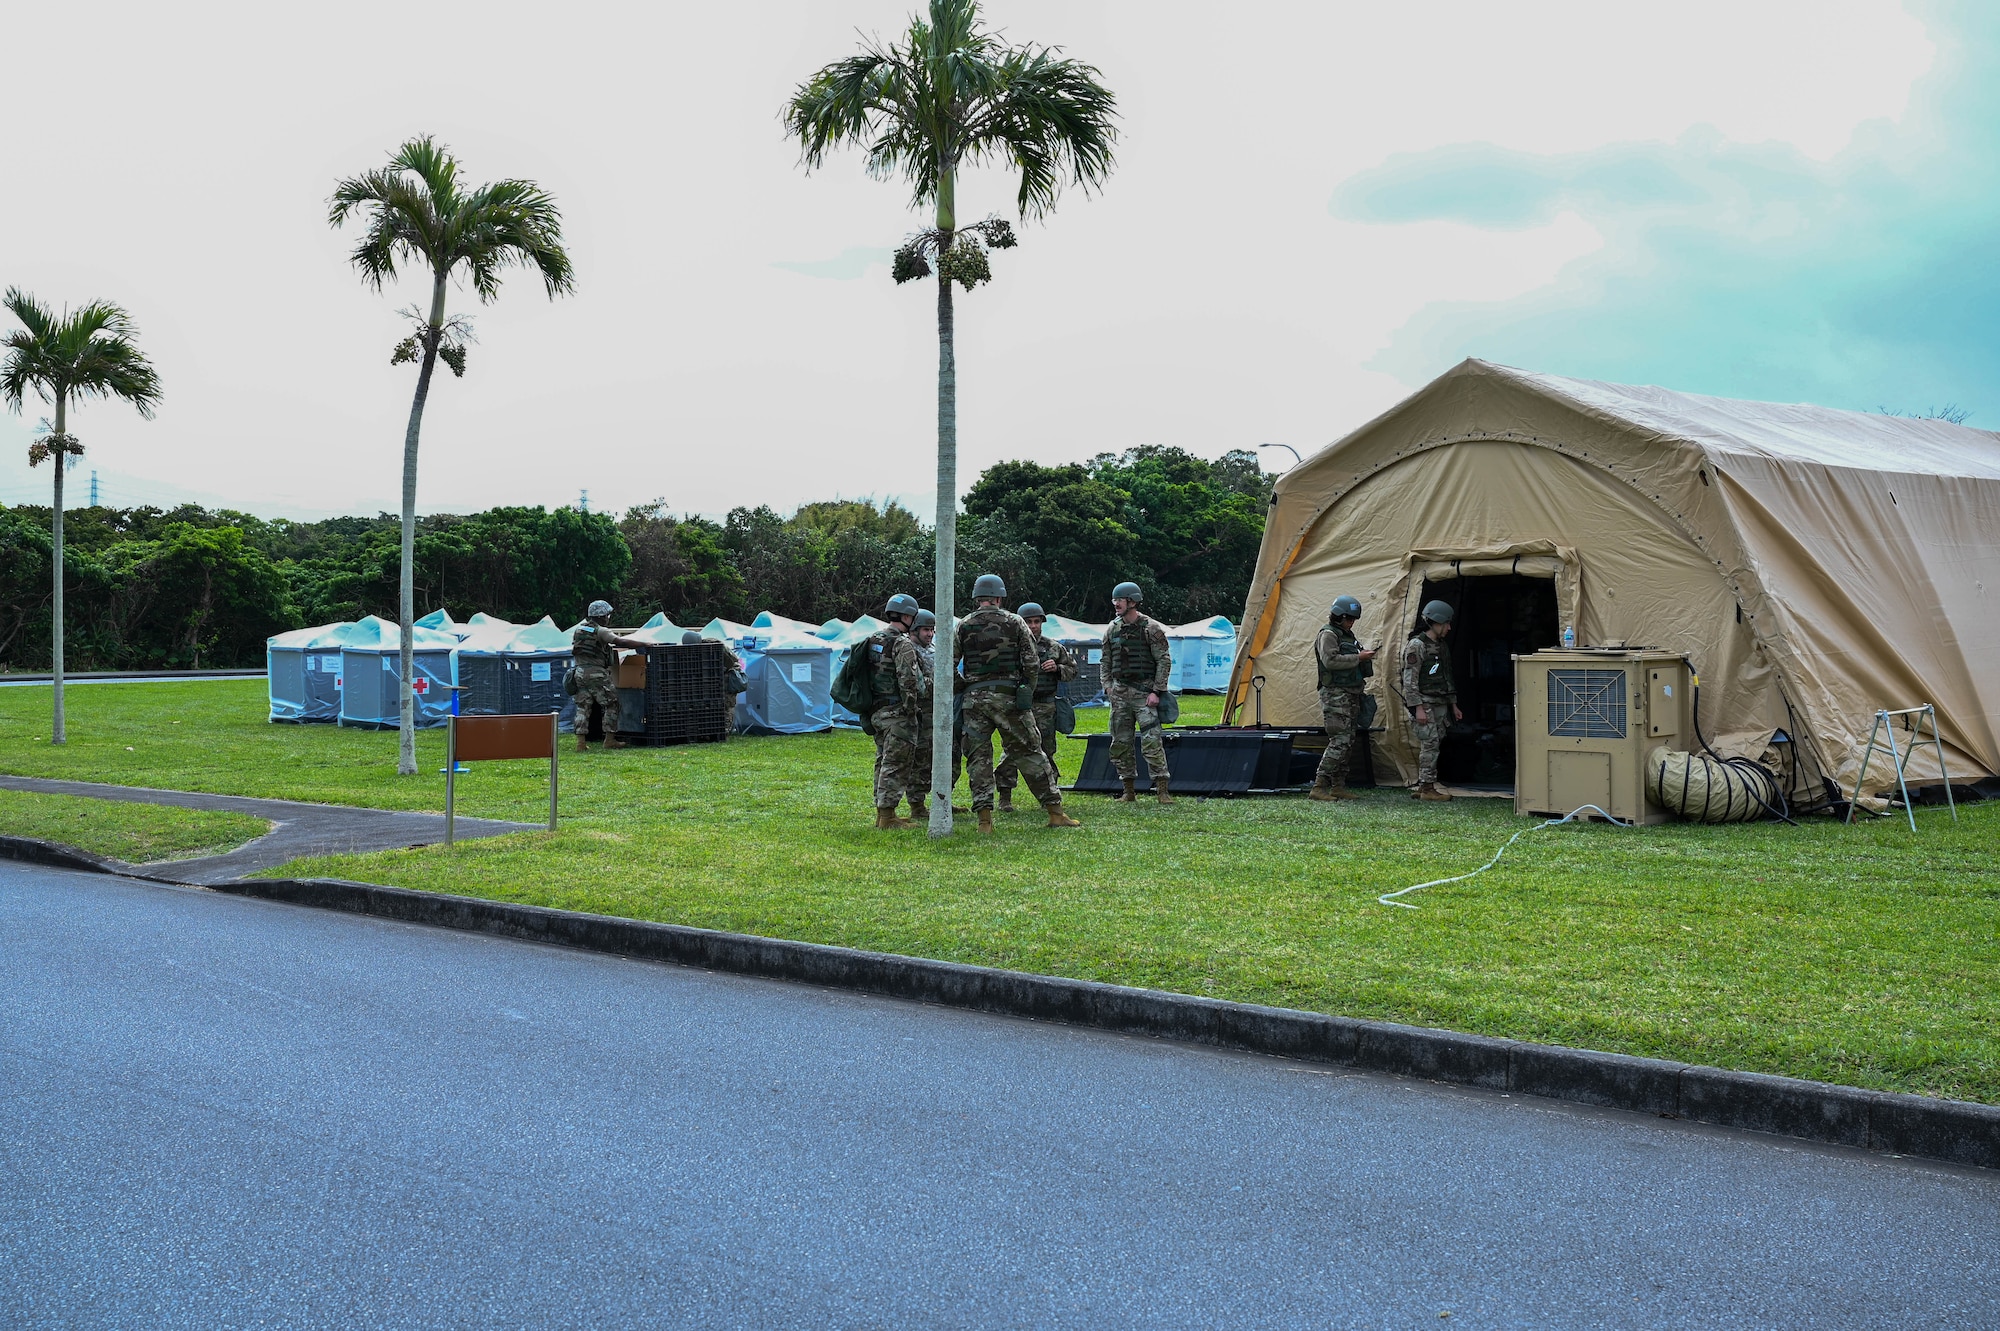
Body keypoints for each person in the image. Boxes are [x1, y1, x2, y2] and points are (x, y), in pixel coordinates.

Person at [955, 573, 1081, 833]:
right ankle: (1055, 812)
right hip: (1009, 698)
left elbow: (947, 662)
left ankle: (985, 821)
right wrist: (1026, 690)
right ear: (999, 597)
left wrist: (963, 686)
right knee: (1031, 752)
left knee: (978, 758)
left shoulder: (963, 625)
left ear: (977, 598)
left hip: (974, 701)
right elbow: (1031, 662)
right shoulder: (1015, 622)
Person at [996, 602, 1078, 811]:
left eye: (1036, 622)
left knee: (1046, 752)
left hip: (1045, 707)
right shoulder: (1011, 647)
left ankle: (1051, 796)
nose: (1033, 626)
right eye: (1029, 622)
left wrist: (1058, 668)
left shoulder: (1053, 647)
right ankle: (1005, 797)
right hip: (1019, 706)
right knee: (1011, 752)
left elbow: (1072, 670)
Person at [1102, 581, 1174, 804]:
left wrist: (1157, 691)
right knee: (1121, 742)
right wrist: (1108, 686)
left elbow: (1163, 660)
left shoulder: (1151, 628)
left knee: (1152, 741)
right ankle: (1128, 790)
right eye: (1114, 600)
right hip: (1120, 695)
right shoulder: (1112, 629)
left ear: (1132, 601)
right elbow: (1105, 661)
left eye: (1120, 600)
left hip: (1144, 694)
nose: (1116, 604)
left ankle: (1162, 790)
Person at [862, 594, 928, 828]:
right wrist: (912, 709)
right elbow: (908, 680)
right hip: (897, 713)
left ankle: (882, 813)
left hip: (877, 711)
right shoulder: (902, 643)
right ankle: (888, 816)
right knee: (896, 763)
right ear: (908, 617)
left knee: (882, 761)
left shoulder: (872, 640)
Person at [1310, 595, 1376, 801]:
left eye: (1353, 619)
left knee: (1348, 741)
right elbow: (1330, 661)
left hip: (1351, 693)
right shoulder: (1328, 635)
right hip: (1335, 695)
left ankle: (1338, 785)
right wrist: (1359, 657)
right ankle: (1319, 785)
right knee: (1339, 740)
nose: (1351, 622)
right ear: (1338, 616)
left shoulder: (1348, 635)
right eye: (1348, 618)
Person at [905, 609, 966, 821]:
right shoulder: (908, 650)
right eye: (925, 630)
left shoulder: (935, 649)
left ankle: (943, 799)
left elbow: (950, 673)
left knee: (953, 755)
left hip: (942, 713)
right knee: (921, 759)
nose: (930, 634)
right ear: (914, 630)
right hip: (922, 714)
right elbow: (917, 684)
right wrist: (942, 685)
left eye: (932, 630)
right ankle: (917, 804)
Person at [569, 600, 653, 752]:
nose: (608, 618)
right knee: (612, 703)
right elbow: (620, 641)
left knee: (583, 707)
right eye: (607, 615)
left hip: (579, 673)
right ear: (601, 616)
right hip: (597, 673)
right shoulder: (601, 631)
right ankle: (610, 740)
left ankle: (580, 743)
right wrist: (645, 644)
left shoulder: (578, 630)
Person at [1401, 600, 1462, 801]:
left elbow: (1447, 677)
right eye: (1446, 623)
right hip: (1425, 703)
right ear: (1435, 622)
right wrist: (1417, 707)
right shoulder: (1417, 645)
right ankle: (1427, 788)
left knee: (1434, 744)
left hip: (1440, 703)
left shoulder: (1441, 646)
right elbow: (1410, 680)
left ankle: (1424, 785)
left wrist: (1453, 705)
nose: (1449, 628)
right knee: (1430, 745)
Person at [682, 631, 745, 738]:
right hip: (710, 678)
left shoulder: (714, 646)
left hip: (727, 674)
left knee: (727, 702)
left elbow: (732, 660)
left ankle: (725, 730)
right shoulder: (691, 650)